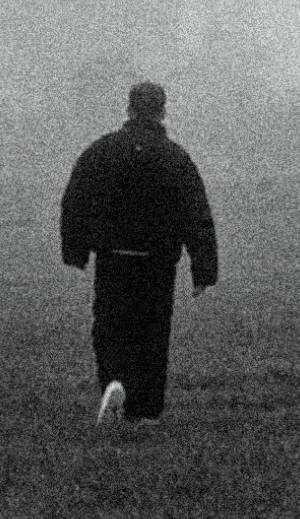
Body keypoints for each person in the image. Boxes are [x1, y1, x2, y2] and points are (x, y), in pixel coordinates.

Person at [61, 82, 218, 425]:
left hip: (113, 259)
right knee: (152, 334)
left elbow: (75, 200)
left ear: (129, 110)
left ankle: (114, 384)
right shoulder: (176, 158)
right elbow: (197, 213)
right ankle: (146, 410)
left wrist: (75, 251)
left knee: (110, 328)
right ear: (162, 112)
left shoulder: (101, 152)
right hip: (157, 263)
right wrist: (203, 270)